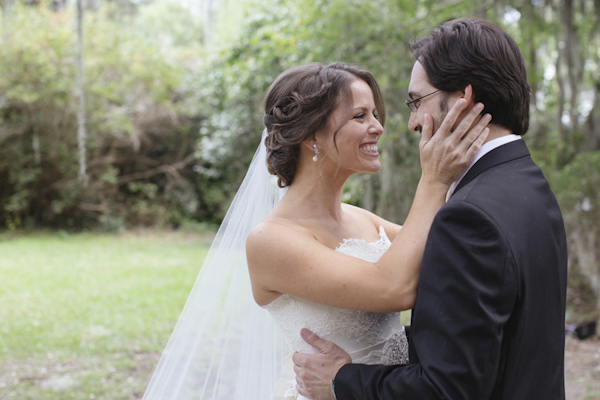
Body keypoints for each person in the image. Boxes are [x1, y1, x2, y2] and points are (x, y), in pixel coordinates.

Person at [142, 61, 489, 400]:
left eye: (374, 114)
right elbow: (393, 288)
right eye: (360, 116)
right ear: (311, 136)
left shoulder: (363, 219)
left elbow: (444, 259)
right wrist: (434, 179)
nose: (379, 127)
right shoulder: (270, 240)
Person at [292, 19, 568, 400]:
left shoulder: (470, 216)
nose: (410, 123)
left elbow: (446, 388)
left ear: (462, 99)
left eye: (416, 101)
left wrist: (342, 381)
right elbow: (483, 331)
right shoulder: (528, 183)